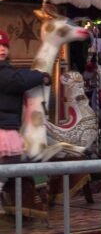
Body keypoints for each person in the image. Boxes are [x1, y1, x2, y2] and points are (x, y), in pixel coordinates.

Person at [0, 29, 52, 217]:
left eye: (4, 46)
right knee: (13, 164)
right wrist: (41, 76)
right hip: (3, 128)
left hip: (8, 123)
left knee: (14, 165)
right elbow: (17, 80)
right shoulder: (4, 72)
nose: (2, 50)